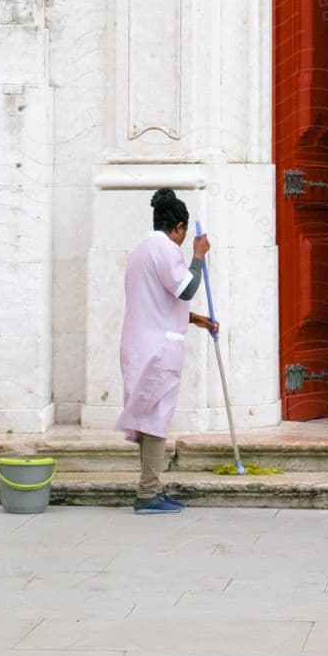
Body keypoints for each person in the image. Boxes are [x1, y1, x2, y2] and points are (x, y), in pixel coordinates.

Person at [115, 187, 218, 514]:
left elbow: (158, 303)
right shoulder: (166, 250)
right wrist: (199, 256)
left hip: (141, 344)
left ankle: (152, 489)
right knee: (155, 419)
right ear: (180, 228)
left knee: (146, 417)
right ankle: (147, 494)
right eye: (185, 234)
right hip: (158, 350)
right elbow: (186, 288)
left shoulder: (142, 250)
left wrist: (196, 319)